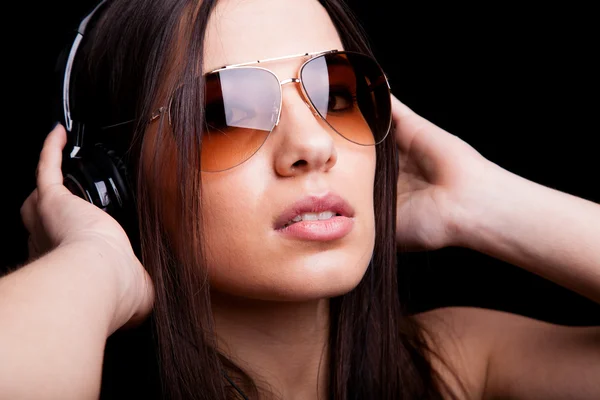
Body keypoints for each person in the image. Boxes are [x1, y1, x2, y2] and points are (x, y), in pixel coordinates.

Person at [2, 0, 599, 399]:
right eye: (227, 110)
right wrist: (95, 258)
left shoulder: (457, 365)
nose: (314, 145)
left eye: (339, 92)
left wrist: (482, 205)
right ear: (117, 180)